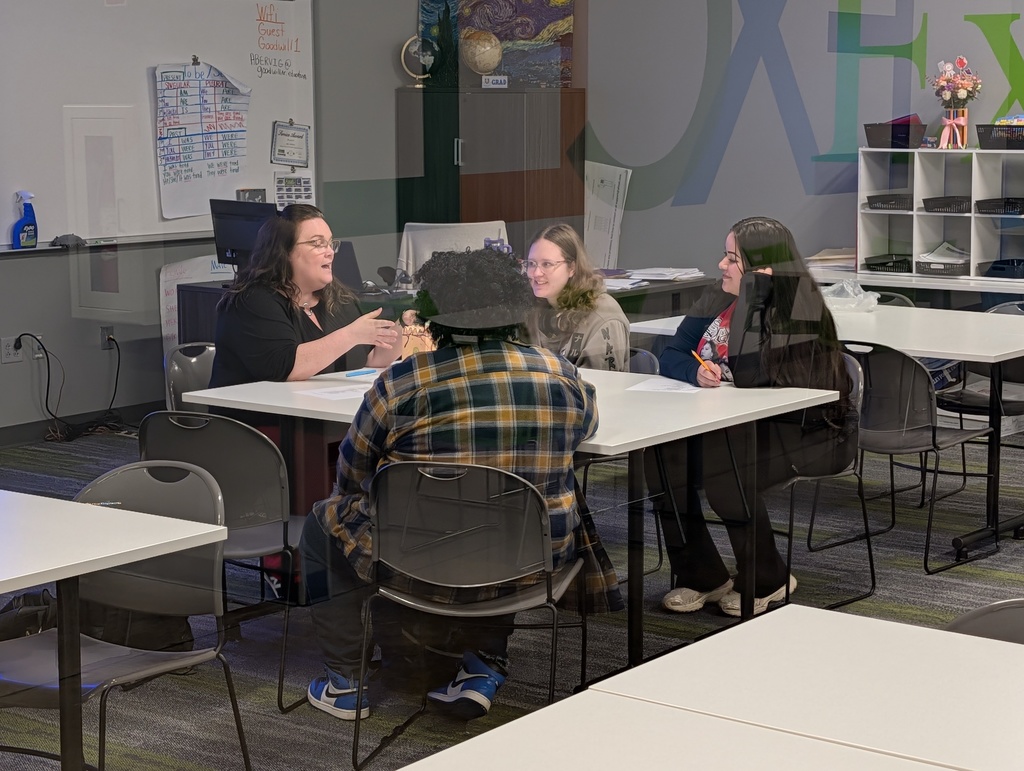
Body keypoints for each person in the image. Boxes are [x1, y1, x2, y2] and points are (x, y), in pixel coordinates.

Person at [300, 247, 608, 722]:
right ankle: (483, 664)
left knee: (324, 520)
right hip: (530, 563)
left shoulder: (401, 384)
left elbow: (352, 477)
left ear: (430, 315)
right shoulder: (559, 374)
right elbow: (585, 428)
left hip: (416, 560)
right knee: (507, 514)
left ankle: (345, 682)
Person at [648, 216, 856, 616]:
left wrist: (751, 296)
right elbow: (670, 354)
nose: (721, 266)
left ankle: (768, 578)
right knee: (661, 459)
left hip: (803, 434)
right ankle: (702, 575)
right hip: (729, 425)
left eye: (732, 259)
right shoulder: (716, 296)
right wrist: (694, 371)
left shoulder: (798, 308)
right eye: (725, 256)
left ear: (763, 270)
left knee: (725, 468)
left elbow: (748, 374)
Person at [209, 203, 400, 423]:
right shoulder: (253, 301)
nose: (330, 252)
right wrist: (351, 335)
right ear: (284, 252)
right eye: (317, 244)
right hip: (258, 426)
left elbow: (370, 359)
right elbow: (286, 367)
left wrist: (407, 325)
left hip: (322, 420)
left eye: (331, 243)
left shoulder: (336, 297)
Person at [524, 223, 630, 370]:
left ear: (572, 268)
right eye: (531, 264)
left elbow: (600, 381)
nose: (536, 273)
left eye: (547, 264)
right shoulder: (533, 308)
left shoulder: (603, 315)